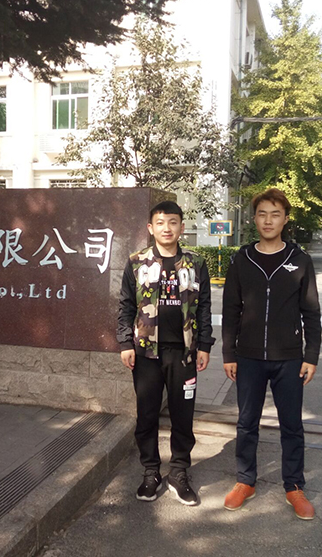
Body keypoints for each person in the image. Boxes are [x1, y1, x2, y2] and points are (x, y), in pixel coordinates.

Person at [222, 188, 321, 520]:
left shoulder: (299, 260)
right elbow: (231, 308)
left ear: (285, 219)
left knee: (291, 425)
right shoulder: (242, 259)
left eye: (275, 214)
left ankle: (294, 486)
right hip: (248, 357)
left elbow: (311, 312)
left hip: (289, 358)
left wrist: (311, 355)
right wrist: (229, 353)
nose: (268, 220)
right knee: (246, 423)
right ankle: (245, 481)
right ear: (254, 219)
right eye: (262, 214)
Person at [118, 200, 214, 505]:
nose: (167, 228)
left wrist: (205, 345)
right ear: (151, 228)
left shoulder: (196, 263)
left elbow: (205, 307)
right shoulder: (136, 262)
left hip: (184, 353)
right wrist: (125, 344)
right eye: (160, 223)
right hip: (146, 353)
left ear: (182, 227)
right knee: (146, 414)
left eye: (173, 222)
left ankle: (179, 471)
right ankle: (150, 471)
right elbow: (126, 305)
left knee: (182, 415)